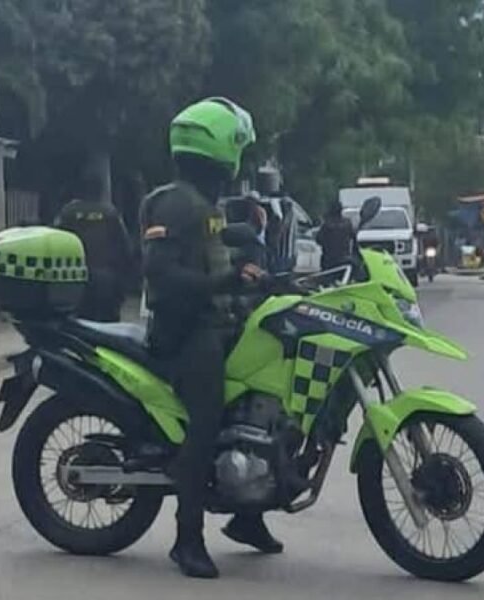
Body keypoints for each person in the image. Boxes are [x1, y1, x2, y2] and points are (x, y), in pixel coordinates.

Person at [140, 97, 279, 580]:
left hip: (215, 320)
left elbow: (216, 238)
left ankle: (248, 514)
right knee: (207, 420)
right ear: (221, 150)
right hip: (184, 332)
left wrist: (252, 263)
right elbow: (159, 271)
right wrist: (225, 282)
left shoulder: (203, 203)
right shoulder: (174, 201)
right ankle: (187, 539)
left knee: (261, 399)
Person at [54, 168, 132, 322]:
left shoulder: (68, 213)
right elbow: (125, 248)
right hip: (106, 282)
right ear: (100, 190)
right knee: (108, 330)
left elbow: (57, 242)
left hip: (76, 281)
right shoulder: (110, 213)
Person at [314, 199, 354, 271]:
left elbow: (318, 239)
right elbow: (352, 237)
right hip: (344, 258)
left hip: (329, 260)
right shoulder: (347, 223)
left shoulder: (326, 225)